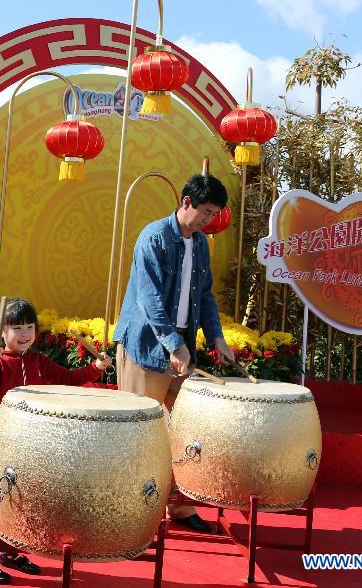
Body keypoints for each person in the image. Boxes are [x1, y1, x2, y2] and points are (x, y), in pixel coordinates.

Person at [113, 173, 236, 533]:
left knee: (186, 432)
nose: (208, 220)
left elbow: (206, 295)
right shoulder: (153, 237)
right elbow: (149, 300)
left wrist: (216, 338)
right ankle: (130, 514)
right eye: (206, 212)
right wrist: (174, 344)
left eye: (214, 214)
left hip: (180, 346)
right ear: (186, 203)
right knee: (139, 434)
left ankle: (179, 509)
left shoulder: (200, 244)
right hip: (146, 345)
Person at [0, 297, 111, 584]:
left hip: (29, 444)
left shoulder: (38, 360)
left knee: (22, 501)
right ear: (2, 332)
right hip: (0, 444)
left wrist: (95, 367)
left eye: (29, 327)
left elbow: (68, 377)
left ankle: (11, 552)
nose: (24, 334)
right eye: (16, 327)